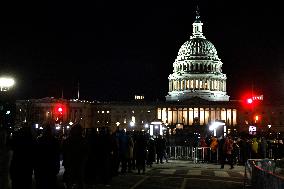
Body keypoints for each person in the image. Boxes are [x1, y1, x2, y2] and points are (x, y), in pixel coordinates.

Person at [34, 124, 60, 189]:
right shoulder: (55, 140)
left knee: (41, 183)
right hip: (51, 165)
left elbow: (36, 154)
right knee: (51, 183)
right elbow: (57, 154)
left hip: (42, 166)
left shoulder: (39, 140)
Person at [62, 124, 88, 189]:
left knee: (70, 179)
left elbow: (64, 151)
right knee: (79, 179)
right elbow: (86, 151)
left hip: (71, 162)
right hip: (78, 162)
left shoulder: (68, 140)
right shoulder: (83, 140)